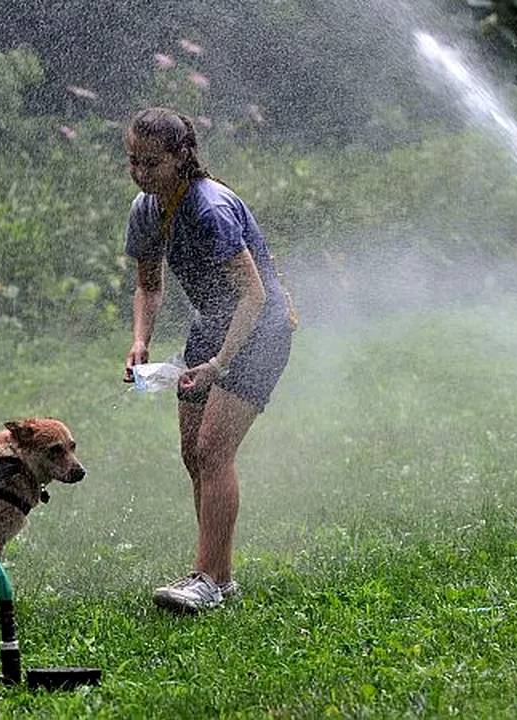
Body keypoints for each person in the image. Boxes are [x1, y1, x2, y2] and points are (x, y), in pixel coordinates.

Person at [122, 107, 295, 613]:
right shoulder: (146, 209)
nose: (140, 172)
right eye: (133, 161)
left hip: (260, 331)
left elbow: (255, 296)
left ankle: (208, 580)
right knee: (192, 453)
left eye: (151, 163)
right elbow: (147, 286)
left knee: (214, 449)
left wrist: (219, 363)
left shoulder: (210, 208)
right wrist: (140, 341)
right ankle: (218, 574)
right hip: (210, 328)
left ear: (182, 158)